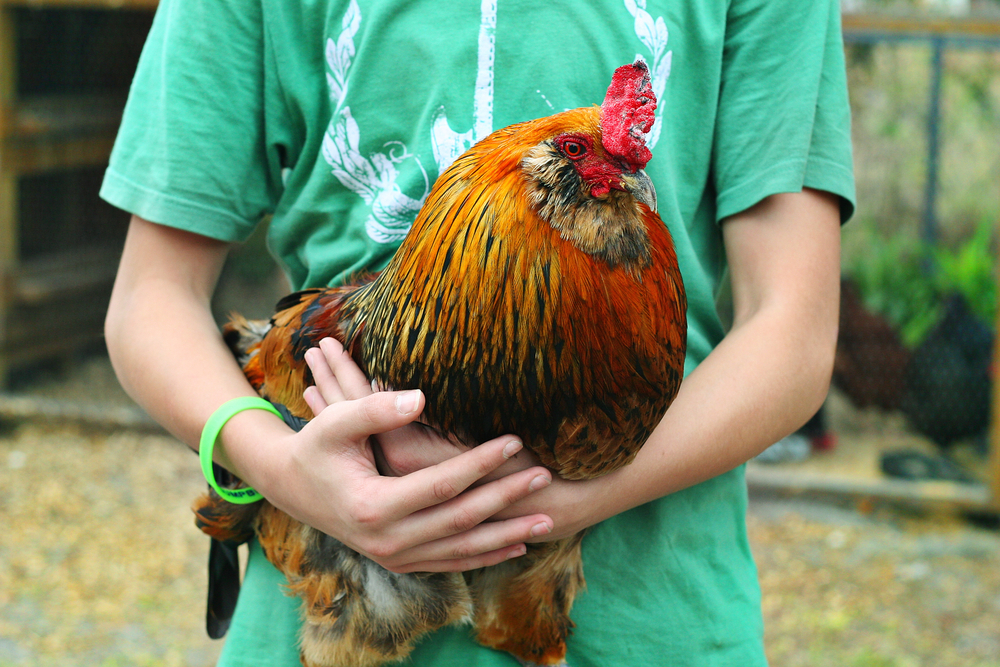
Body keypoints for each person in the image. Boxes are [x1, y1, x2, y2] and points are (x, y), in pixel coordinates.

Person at [101, 0, 855, 665]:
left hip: (649, 622)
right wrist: (279, 465)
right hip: (322, 612)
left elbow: (792, 328)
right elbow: (149, 298)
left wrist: (567, 494)